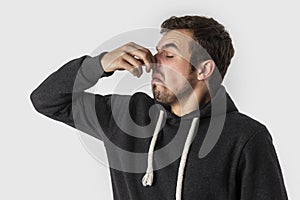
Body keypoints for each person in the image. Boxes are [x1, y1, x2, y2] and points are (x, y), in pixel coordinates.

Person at [30, 15, 288, 200]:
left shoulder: (246, 136)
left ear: (203, 69)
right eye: (156, 52)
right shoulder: (125, 116)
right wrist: (100, 64)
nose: (153, 62)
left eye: (169, 54)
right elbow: (46, 99)